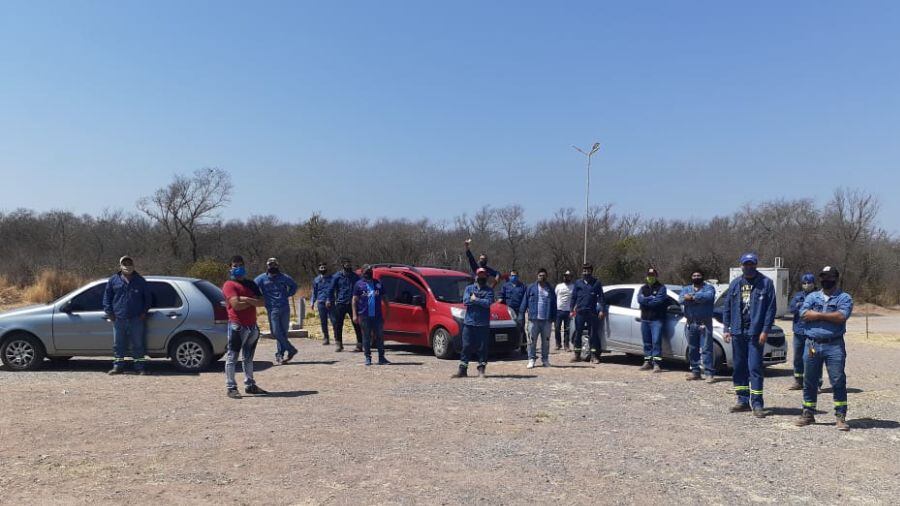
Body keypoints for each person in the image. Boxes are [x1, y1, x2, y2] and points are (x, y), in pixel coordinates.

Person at [795, 266, 853, 431]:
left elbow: (841, 317)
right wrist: (827, 317)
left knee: (837, 380)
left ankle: (840, 416)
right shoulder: (812, 296)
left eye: (829, 277)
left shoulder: (844, 298)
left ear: (836, 279)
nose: (825, 280)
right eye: (823, 277)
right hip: (812, 344)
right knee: (809, 380)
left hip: (834, 344)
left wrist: (818, 315)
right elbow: (803, 314)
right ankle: (808, 413)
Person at [722, 253, 776, 418]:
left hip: (755, 333)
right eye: (746, 264)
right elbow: (727, 307)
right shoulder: (735, 284)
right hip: (738, 332)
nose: (749, 267)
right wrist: (726, 328)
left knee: (754, 368)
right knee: (739, 367)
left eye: (752, 264)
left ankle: (757, 404)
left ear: (756, 265)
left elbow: (770, 309)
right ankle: (742, 401)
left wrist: (765, 330)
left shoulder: (766, 283)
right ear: (741, 266)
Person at [222, 255, 267, 399]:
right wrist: (251, 301)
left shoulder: (251, 284)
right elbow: (236, 305)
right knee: (232, 357)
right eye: (235, 266)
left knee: (248, 358)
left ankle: (250, 384)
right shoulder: (229, 285)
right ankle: (231, 387)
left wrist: (245, 299)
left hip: (252, 326)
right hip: (237, 326)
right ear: (230, 268)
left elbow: (262, 302)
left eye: (240, 265)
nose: (238, 268)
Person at [102, 255, 152, 375]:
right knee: (118, 345)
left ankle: (140, 367)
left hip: (136, 319)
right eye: (125, 263)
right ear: (120, 265)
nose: (127, 266)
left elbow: (148, 299)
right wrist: (110, 313)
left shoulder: (140, 280)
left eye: (129, 263)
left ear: (133, 265)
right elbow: (107, 298)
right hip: (119, 319)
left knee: (138, 344)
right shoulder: (113, 280)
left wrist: (143, 313)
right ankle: (118, 367)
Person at [451, 268, 495, 378]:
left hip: (482, 324)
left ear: (486, 277)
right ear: (476, 277)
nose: (481, 278)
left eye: (483, 276)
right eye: (479, 276)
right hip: (469, 323)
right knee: (466, 346)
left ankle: (481, 369)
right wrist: (478, 300)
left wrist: (475, 300)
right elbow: (465, 301)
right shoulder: (469, 288)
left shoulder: (489, 291)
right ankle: (462, 370)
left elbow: (488, 303)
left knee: (482, 348)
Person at [255, 257, 298, 365]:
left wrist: (288, 294)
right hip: (272, 308)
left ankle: (280, 355)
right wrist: (259, 297)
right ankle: (291, 349)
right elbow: (253, 286)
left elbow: (294, 286)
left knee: (283, 333)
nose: (272, 267)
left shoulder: (284, 277)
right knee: (275, 332)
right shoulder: (261, 278)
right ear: (267, 266)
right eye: (270, 265)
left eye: (274, 265)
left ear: (277, 265)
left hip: (285, 308)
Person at [680, 270, 717, 381]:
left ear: (702, 277)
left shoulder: (709, 288)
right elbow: (681, 299)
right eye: (694, 275)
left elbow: (709, 297)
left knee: (706, 348)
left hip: (705, 323)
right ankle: (695, 372)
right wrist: (699, 298)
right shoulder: (686, 288)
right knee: (692, 349)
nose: (696, 277)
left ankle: (709, 373)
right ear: (691, 277)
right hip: (691, 323)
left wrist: (692, 298)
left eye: (698, 275)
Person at [352, 264, 391, 366]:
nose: (369, 273)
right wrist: (354, 315)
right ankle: (368, 358)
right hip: (364, 316)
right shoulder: (358, 285)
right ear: (363, 273)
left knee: (380, 336)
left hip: (377, 316)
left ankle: (381, 358)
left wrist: (388, 310)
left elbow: (385, 298)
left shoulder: (378, 283)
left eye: (370, 271)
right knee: (366, 337)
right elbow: (354, 300)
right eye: (366, 271)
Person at [519, 268, 557, 368]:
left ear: (546, 276)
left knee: (546, 341)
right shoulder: (531, 288)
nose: (542, 277)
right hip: (533, 319)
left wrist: (554, 318)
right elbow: (524, 302)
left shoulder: (550, 289)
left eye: (544, 275)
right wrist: (521, 315)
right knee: (531, 341)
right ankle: (531, 359)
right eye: (540, 275)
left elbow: (554, 305)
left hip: (546, 320)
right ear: (537, 276)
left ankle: (545, 360)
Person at [570, 263, 605, 363]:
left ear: (591, 271)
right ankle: (577, 355)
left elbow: (601, 297)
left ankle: (594, 356)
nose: (586, 272)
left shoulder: (596, 283)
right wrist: (571, 309)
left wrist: (602, 310)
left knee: (593, 334)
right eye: (584, 270)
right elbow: (573, 297)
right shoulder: (578, 283)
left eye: (588, 270)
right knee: (578, 334)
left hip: (592, 312)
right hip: (580, 312)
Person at [788, 273, 817, 390]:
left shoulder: (818, 296)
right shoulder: (798, 295)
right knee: (797, 358)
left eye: (809, 283)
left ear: (814, 284)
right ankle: (798, 381)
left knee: (812, 357)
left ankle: (815, 383)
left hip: (812, 334)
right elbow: (792, 309)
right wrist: (801, 306)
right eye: (804, 283)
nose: (806, 285)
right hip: (798, 332)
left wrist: (803, 307)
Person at [328, 258, 362, 352]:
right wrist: (328, 300)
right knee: (338, 324)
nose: (349, 266)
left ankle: (359, 344)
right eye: (347, 264)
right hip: (340, 303)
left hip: (353, 304)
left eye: (350, 264)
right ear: (343, 265)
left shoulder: (356, 276)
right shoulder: (336, 276)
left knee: (356, 324)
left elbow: (361, 287)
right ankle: (339, 344)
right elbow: (331, 289)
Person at [638, 268, 669, 373]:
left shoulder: (662, 288)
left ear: (656, 276)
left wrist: (646, 301)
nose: (650, 277)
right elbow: (639, 299)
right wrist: (650, 298)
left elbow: (658, 301)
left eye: (652, 275)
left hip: (657, 319)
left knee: (656, 341)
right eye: (649, 275)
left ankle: (656, 364)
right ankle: (647, 361)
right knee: (647, 342)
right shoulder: (643, 288)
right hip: (645, 319)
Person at [499, 269, 527, 348]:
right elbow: (501, 297)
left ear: (518, 277)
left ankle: (523, 347)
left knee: (521, 328)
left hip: (520, 310)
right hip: (509, 311)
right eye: (512, 276)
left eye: (515, 276)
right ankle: (509, 346)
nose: (513, 277)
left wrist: (525, 308)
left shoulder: (523, 286)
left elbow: (526, 299)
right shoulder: (505, 286)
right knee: (509, 328)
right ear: (509, 276)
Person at [311, 262, 334, 346]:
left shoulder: (332, 278)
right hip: (320, 302)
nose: (323, 269)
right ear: (319, 269)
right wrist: (312, 302)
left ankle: (337, 337)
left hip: (330, 302)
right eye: (321, 268)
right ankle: (326, 338)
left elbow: (333, 290)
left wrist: (330, 299)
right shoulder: (316, 280)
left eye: (324, 267)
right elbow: (314, 291)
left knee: (334, 320)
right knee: (323, 321)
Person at [554, 271, 574, 351]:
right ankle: (558, 344)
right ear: (563, 277)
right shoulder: (559, 286)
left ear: (571, 277)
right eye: (565, 276)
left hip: (568, 311)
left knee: (567, 329)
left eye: (568, 276)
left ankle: (566, 345)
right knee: (557, 328)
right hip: (559, 310)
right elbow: (555, 296)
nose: (567, 277)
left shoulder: (573, 287)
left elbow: (574, 298)